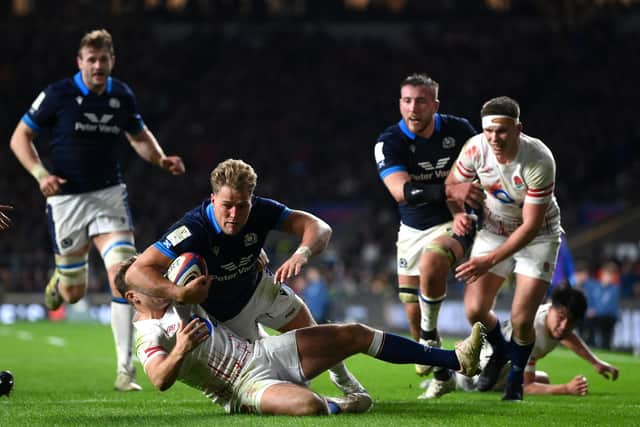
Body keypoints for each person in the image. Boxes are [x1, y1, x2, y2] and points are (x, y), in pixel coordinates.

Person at [9, 29, 185, 391]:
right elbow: (19, 137)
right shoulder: (58, 94)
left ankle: (125, 371)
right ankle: (61, 279)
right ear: (81, 63)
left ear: (112, 61)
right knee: (74, 293)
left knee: (125, 274)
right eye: (91, 60)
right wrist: (41, 174)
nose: (98, 66)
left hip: (108, 195)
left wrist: (160, 158)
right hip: (67, 199)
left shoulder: (121, 95)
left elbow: (139, 135)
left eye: (104, 59)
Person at [115, 256, 485, 415]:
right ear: (132, 296)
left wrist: (251, 257)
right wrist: (179, 350)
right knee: (308, 407)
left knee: (354, 333)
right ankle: (342, 403)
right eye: (146, 282)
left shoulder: (180, 290)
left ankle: (455, 359)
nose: (157, 281)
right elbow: (159, 379)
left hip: (262, 354)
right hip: (241, 388)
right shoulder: (147, 333)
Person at [125, 158, 364, 396]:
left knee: (320, 340)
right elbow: (136, 272)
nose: (234, 214)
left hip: (261, 289)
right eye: (227, 205)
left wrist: (301, 253)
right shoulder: (191, 229)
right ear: (213, 199)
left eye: (242, 206)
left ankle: (345, 381)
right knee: (285, 379)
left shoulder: (262, 210)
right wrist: (179, 293)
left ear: (251, 200)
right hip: (226, 316)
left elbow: (320, 227)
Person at [373, 73, 484, 397]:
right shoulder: (390, 141)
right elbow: (401, 191)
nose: (413, 107)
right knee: (410, 308)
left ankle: (427, 334)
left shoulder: (459, 130)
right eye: (406, 100)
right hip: (411, 229)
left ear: (435, 104)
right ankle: (443, 377)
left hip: (455, 220)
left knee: (435, 261)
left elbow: (479, 172)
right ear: (400, 103)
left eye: (421, 100)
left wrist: (463, 209)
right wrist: (452, 188)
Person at [446, 96, 563, 400]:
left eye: (502, 131)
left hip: (537, 235)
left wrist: (489, 261)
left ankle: (515, 381)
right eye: (489, 131)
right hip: (495, 228)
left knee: (523, 320)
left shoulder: (538, 159)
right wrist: (458, 211)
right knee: (474, 310)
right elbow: (452, 185)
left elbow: (531, 226)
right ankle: (499, 351)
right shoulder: (474, 148)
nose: (494, 138)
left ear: (517, 129)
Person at [422, 286, 619, 397]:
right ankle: (449, 377)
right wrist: (566, 388)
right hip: (477, 375)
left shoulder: (552, 321)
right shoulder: (533, 331)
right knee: (537, 383)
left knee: (544, 379)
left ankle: (448, 373)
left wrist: (596, 363)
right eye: (561, 317)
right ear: (550, 308)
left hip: (495, 363)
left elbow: (567, 335)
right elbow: (528, 387)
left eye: (571, 322)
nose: (564, 326)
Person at [581, 261, 621, 350]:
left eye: (611, 275)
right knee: (587, 320)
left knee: (606, 322)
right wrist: (590, 310)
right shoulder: (593, 286)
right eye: (607, 274)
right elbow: (589, 300)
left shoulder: (615, 289)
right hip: (594, 316)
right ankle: (590, 344)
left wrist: (596, 312)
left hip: (607, 316)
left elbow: (611, 307)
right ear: (602, 274)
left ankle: (605, 346)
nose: (609, 277)